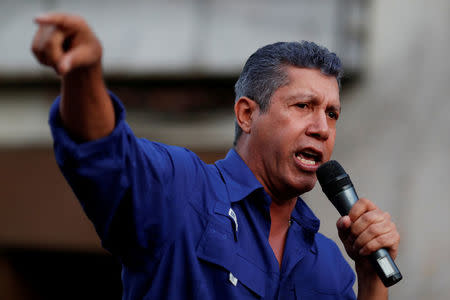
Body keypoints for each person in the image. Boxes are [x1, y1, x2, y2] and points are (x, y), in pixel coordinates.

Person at [32, 13, 400, 300]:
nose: (322, 127)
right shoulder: (181, 189)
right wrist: (82, 76)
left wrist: (370, 279)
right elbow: (106, 155)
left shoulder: (330, 266)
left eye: (332, 114)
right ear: (246, 114)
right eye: (304, 105)